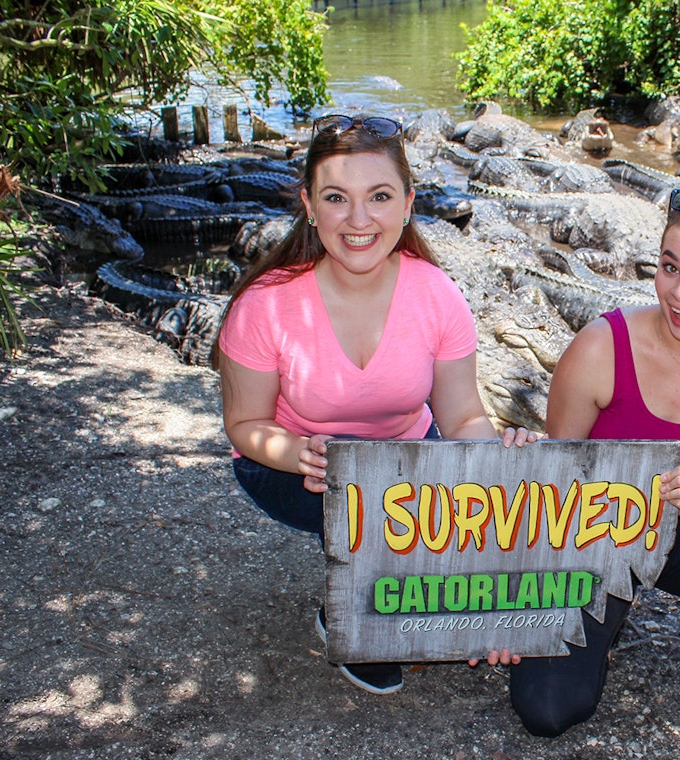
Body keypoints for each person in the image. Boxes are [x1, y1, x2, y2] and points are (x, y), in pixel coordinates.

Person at [214, 113, 531, 696]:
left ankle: (377, 580)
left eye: (379, 197)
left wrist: (501, 469)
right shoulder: (265, 304)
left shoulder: (436, 293)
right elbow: (244, 426)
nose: (359, 220)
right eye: (337, 198)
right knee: (371, 497)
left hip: (405, 462)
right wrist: (301, 452)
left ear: (407, 203)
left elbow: (461, 417)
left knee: (447, 545)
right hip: (292, 467)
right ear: (310, 205)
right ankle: (351, 603)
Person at [509, 188, 680, 760]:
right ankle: (609, 618)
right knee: (547, 713)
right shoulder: (600, 346)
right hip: (590, 535)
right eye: (669, 267)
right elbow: (554, 478)